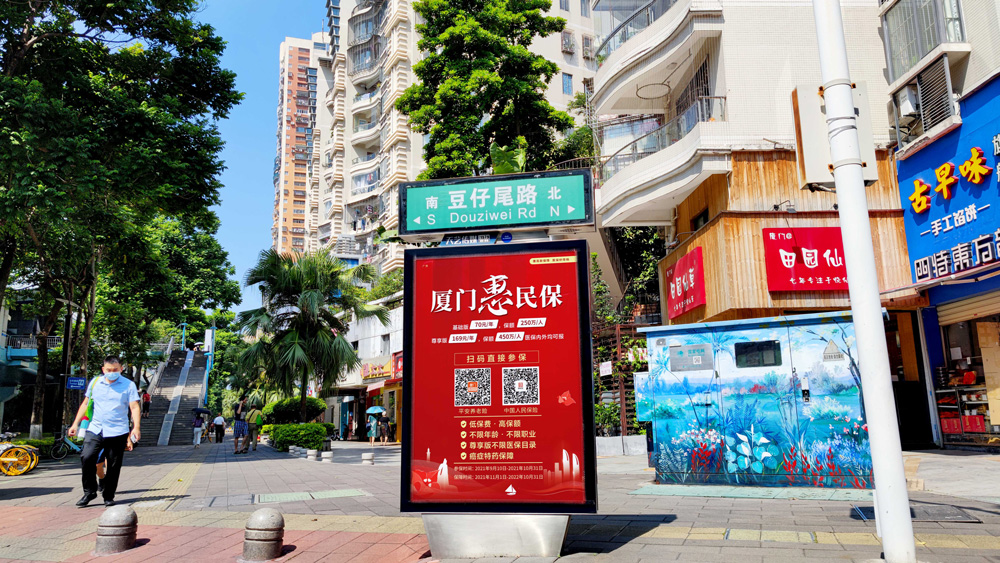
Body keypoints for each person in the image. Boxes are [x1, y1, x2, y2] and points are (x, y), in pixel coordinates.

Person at [68, 356, 140, 508]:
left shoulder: (129, 385)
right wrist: (75, 424)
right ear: (103, 369)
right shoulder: (95, 382)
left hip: (118, 431)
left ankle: (108, 495)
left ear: (121, 369)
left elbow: (134, 407)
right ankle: (89, 492)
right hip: (95, 428)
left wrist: (136, 427)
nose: (112, 373)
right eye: (109, 370)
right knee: (87, 457)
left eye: (115, 370)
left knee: (113, 465)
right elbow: (85, 403)